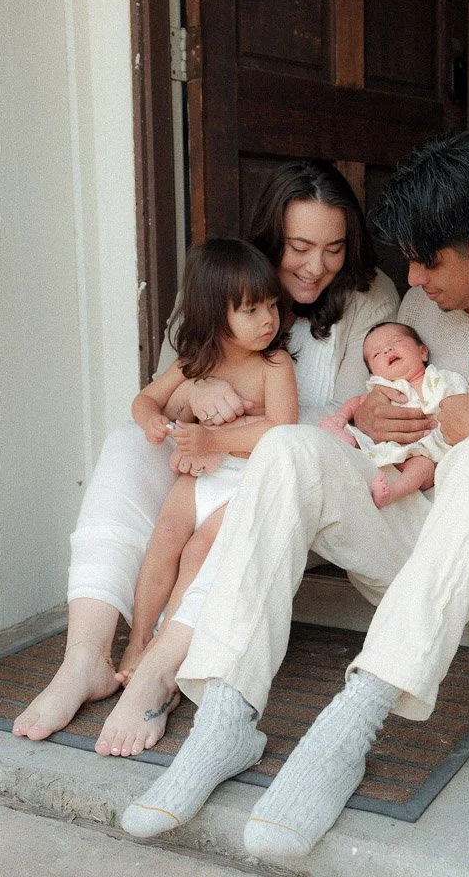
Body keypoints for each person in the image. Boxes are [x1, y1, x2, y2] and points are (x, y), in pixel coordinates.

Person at [118, 133, 469, 861]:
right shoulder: (427, 305)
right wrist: (368, 418)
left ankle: (351, 726)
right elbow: (386, 403)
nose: (413, 277)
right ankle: (227, 712)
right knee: (287, 446)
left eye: (428, 261)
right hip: (421, 527)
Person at [11, 159, 399, 755]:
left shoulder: (369, 298)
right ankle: (85, 656)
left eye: (334, 248)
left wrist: (228, 431)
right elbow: (169, 388)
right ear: (270, 240)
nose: (316, 267)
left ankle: (162, 670)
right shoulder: (222, 281)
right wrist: (195, 393)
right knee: (123, 443)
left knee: (255, 493)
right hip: (207, 463)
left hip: (295, 487)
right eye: (299, 247)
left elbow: (343, 423)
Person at [117, 238, 298, 683]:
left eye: (272, 306)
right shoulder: (194, 362)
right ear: (216, 312)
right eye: (251, 310)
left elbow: (280, 429)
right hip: (200, 475)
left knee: (198, 551)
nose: (268, 320)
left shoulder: (274, 364)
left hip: (244, 480)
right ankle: (139, 641)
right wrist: (153, 424)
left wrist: (211, 439)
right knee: (165, 540)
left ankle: (165, 652)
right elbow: (144, 401)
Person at [318, 321, 469, 507]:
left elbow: (465, 404)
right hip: (393, 447)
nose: (387, 350)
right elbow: (357, 402)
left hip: (429, 452)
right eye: (376, 354)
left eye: (396, 342)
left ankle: (390, 492)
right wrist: (340, 417)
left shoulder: (442, 379)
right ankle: (350, 445)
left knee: (424, 468)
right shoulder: (384, 389)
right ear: (374, 375)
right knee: (365, 441)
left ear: (422, 352)